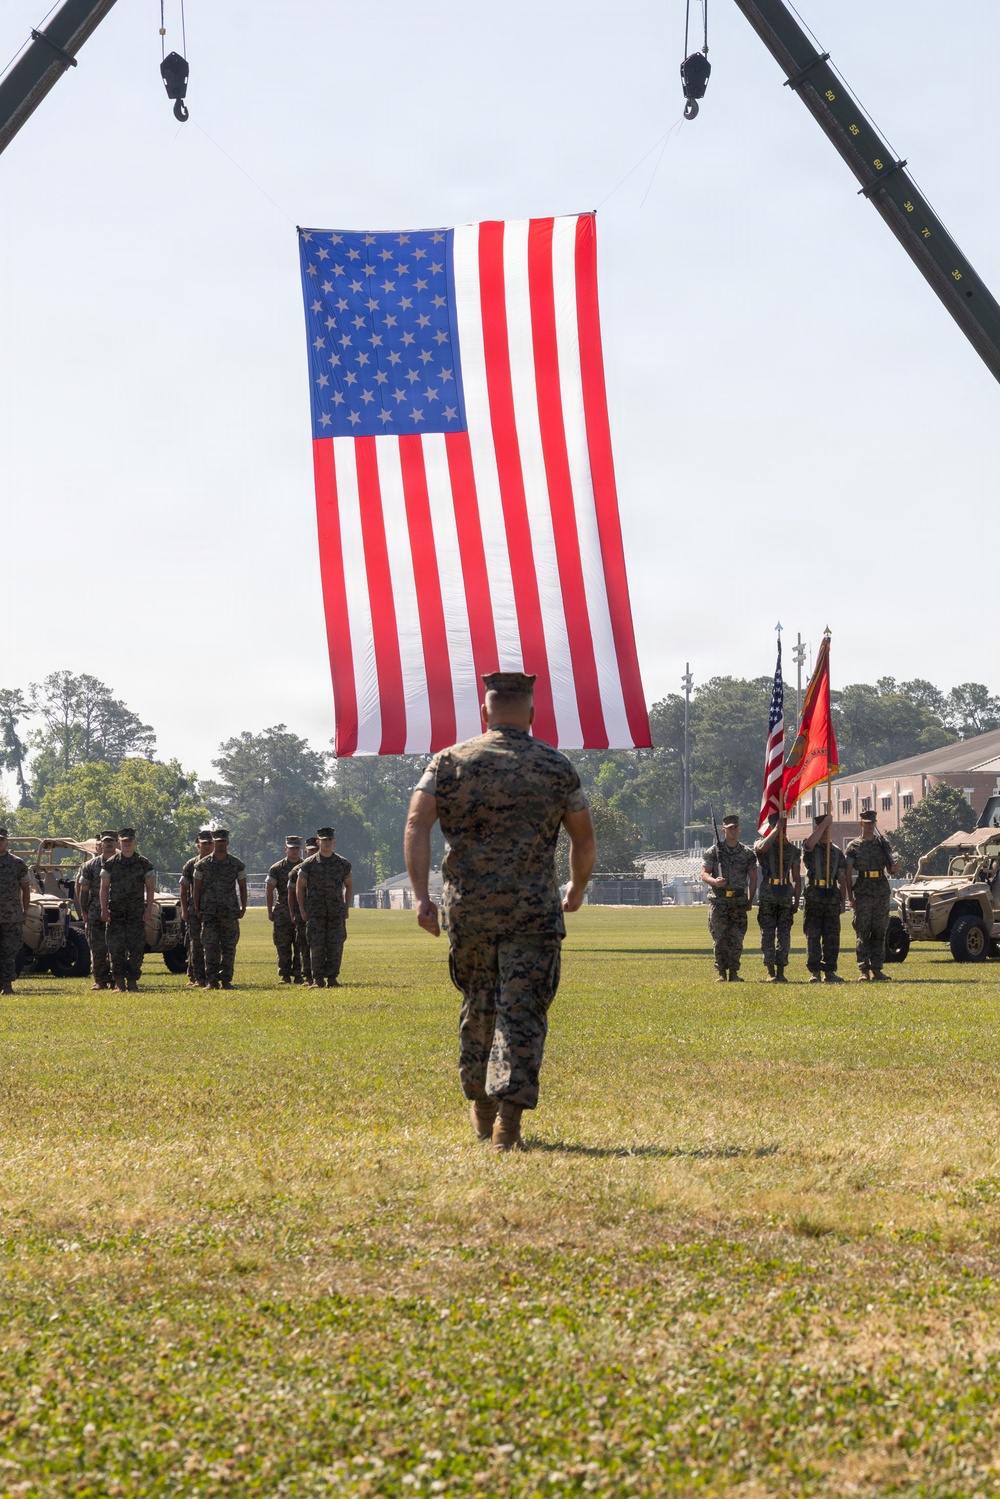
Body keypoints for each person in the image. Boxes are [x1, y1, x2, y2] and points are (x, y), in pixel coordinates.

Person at [404, 670, 597, 1152]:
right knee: (522, 1011)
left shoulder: (448, 762)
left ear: (485, 713)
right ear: (531, 715)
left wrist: (421, 896)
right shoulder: (556, 766)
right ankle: (507, 1123)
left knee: (480, 1004)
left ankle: (481, 1107)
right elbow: (584, 837)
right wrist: (576, 886)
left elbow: (416, 823)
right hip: (533, 912)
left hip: (470, 911)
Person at [701, 815, 758, 982]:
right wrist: (714, 882)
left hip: (738, 902)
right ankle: (721, 972)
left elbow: (753, 877)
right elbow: (704, 873)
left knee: (737, 938)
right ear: (723, 831)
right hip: (719, 901)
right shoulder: (714, 851)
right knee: (720, 938)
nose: (733, 831)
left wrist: (750, 899)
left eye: (735, 828)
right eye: (730, 828)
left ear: (739, 830)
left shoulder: (747, 853)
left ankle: (734, 972)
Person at [845, 808, 900, 981]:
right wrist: (850, 897)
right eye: (867, 823)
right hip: (863, 891)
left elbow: (890, 870)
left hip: (880, 891)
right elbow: (847, 873)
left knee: (879, 931)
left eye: (873, 823)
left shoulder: (882, 844)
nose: (870, 826)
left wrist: (895, 869)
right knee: (862, 931)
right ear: (861, 823)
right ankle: (863, 969)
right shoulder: (854, 845)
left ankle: (877, 968)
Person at [295, 828, 352, 988]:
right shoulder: (308, 864)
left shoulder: (343, 863)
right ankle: (318, 979)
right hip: (315, 913)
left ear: (333, 842)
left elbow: (348, 885)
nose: (327, 843)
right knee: (316, 946)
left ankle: (332, 978)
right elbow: (300, 887)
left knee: (336, 946)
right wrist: (302, 909)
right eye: (323, 840)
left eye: (329, 840)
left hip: (336, 912)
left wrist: (346, 907)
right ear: (318, 842)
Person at [100, 828, 155, 992]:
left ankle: (132, 981)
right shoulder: (110, 864)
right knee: (115, 949)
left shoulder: (144, 863)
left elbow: (150, 888)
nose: (127, 843)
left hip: (136, 915)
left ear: (135, 842)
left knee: (137, 949)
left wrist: (149, 909)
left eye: (130, 840)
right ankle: (119, 982)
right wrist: (104, 910)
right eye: (124, 840)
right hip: (116, 914)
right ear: (119, 843)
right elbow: (104, 888)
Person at [193, 829, 247, 990]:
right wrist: (197, 908)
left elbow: (243, 887)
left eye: (223, 841)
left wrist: (243, 906)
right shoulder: (201, 865)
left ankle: (226, 980)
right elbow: (196, 889)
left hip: (229, 912)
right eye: (217, 841)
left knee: (229, 947)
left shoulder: (237, 864)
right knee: (210, 947)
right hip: (209, 913)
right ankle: (212, 980)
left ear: (228, 842)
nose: (220, 844)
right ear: (213, 842)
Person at [754, 812, 801, 982]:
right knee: (767, 932)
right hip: (768, 890)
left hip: (785, 891)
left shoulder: (792, 850)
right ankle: (770, 970)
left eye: (781, 827)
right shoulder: (762, 843)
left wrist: (796, 901)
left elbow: (796, 878)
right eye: (775, 826)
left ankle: (781, 969)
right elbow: (761, 849)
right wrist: (775, 831)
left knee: (784, 933)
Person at [801, 814, 848, 983]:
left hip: (831, 897)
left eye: (827, 829)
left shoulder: (836, 852)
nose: (824, 832)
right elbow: (808, 845)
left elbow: (841, 879)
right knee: (813, 936)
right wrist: (823, 824)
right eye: (821, 828)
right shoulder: (811, 846)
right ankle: (815, 971)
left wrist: (843, 901)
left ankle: (830, 971)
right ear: (816, 828)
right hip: (814, 896)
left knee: (832, 937)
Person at [78, 831, 118, 990]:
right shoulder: (90, 866)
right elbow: (84, 890)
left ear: (117, 843)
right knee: (97, 948)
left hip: (117, 911)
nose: (108, 844)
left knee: (117, 947)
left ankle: (117, 979)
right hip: (95, 912)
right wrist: (84, 912)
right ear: (100, 844)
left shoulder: (123, 863)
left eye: (111, 841)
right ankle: (100, 980)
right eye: (105, 841)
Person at [179, 830, 214, 987]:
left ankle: (211, 975)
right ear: (198, 846)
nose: (207, 846)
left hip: (214, 910)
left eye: (210, 843)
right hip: (195, 911)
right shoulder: (191, 864)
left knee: (213, 944)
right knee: (195, 944)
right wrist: (185, 910)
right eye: (204, 844)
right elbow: (183, 888)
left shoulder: (219, 862)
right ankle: (198, 977)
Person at [267, 836, 303, 983]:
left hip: (301, 910)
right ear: (285, 849)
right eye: (291, 848)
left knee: (301, 943)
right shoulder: (276, 868)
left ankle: (299, 974)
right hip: (282, 911)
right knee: (283, 944)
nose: (294, 851)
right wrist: (270, 911)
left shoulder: (305, 866)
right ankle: (285, 974)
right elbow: (269, 890)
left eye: (297, 848)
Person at [0, 828, 32, 996]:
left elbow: (26, 889)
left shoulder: (17, 863)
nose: (0, 842)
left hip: (11, 916)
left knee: (10, 952)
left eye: (2, 839)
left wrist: (25, 912)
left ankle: (7, 986)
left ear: (7, 841)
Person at [288, 836, 317, 985]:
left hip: (320, 913)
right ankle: (308, 976)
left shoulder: (325, 867)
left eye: (315, 851)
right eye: (310, 851)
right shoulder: (296, 871)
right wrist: (294, 913)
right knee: (304, 946)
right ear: (305, 852)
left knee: (320, 946)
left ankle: (320, 975)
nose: (312, 853)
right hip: (303, 914)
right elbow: (291, 894)